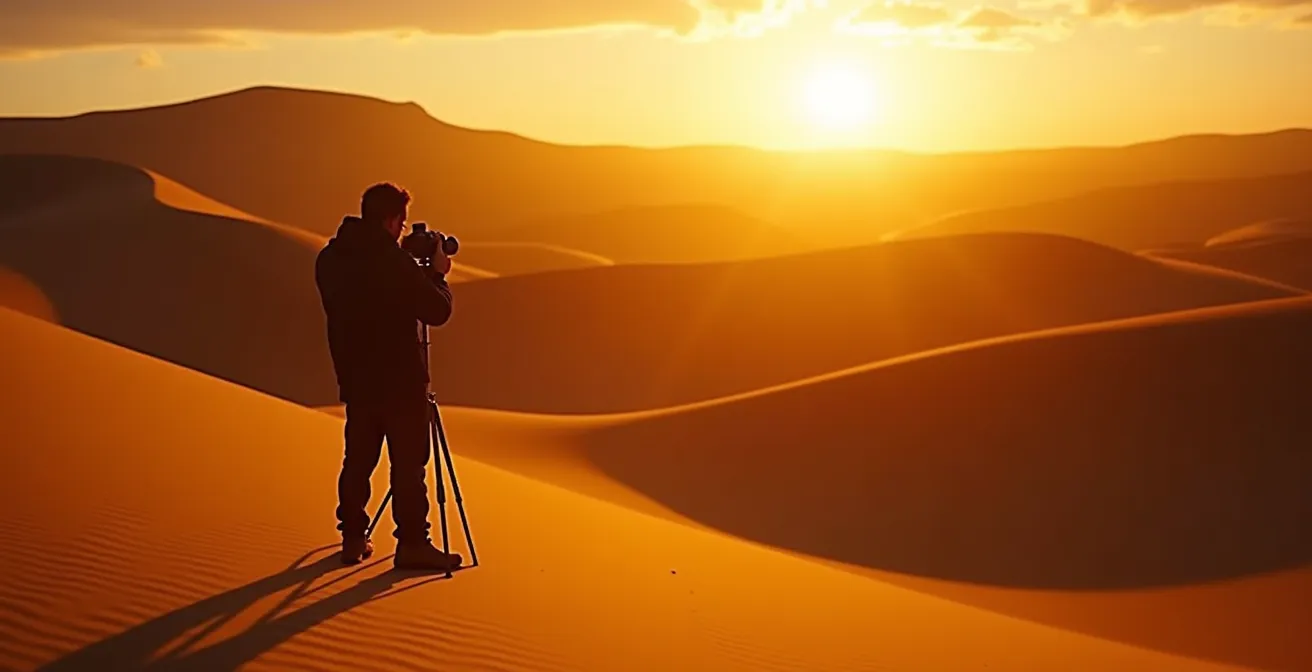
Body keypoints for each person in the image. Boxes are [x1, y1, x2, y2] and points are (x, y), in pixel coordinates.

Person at [314, 182, 462, 571]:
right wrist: (438, 275)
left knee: (358, 460)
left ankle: (352, 537)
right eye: (401, 223)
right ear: (392, 219)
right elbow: (436, 311)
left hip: (356, 378)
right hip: (400, 381)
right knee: (408, 466)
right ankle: (413, 543)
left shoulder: (330, 259)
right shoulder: (389, 261)